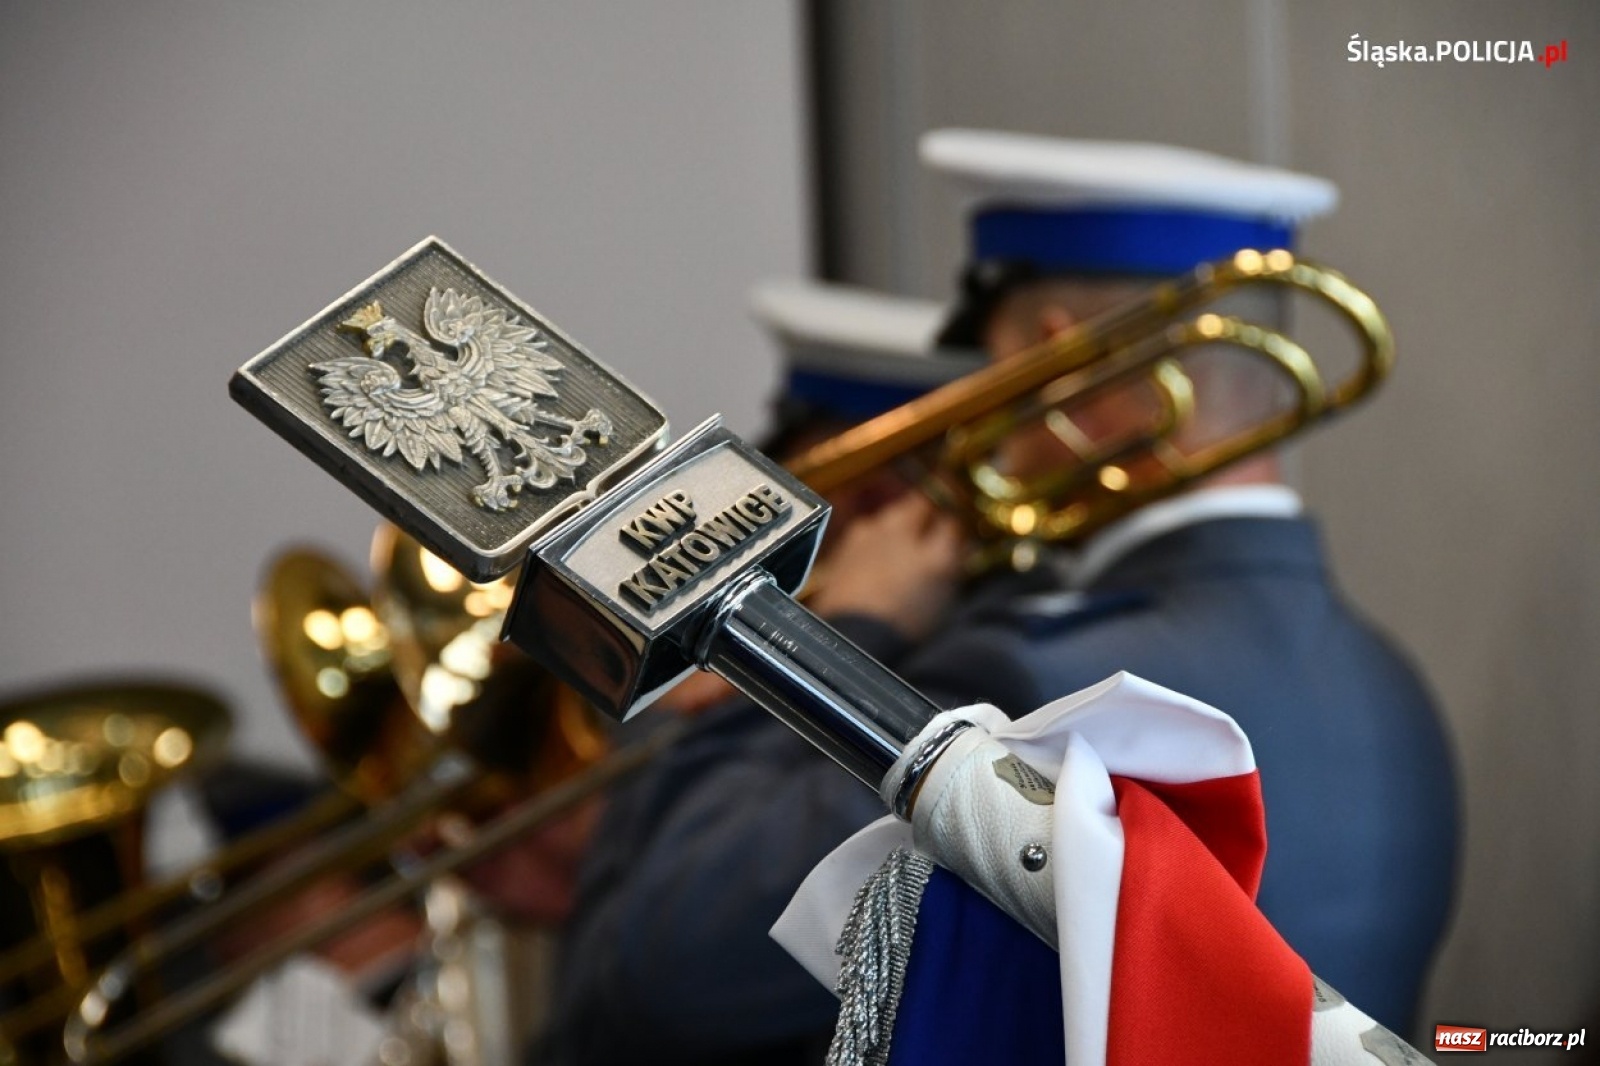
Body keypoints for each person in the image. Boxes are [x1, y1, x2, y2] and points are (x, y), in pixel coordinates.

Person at [814, 129, 1457, 1035]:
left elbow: (661, 965)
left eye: (997, 366)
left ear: (1064, 363)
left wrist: (849, 633)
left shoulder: (1034, 682)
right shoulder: (1395, 684)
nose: (990, 413)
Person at [530, 281, 978, 1066]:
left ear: (897, 512)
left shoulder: (963, 681)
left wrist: (843, 635)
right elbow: (606, 971)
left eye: (837, 499)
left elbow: (667, 967)